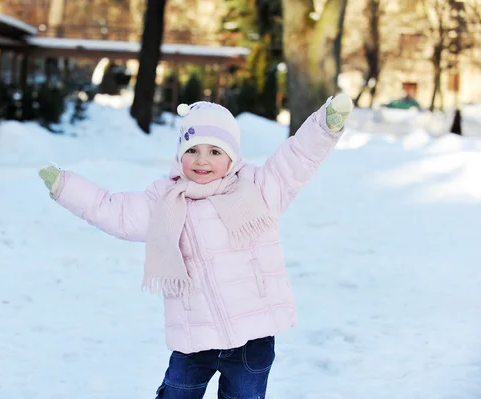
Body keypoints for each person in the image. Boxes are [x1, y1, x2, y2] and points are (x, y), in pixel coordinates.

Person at [38, 94, 353, 398]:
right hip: (194, 338)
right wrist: (65, 186)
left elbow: (296, 159)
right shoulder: (165, 201)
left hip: (252, 337)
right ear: (179, 155)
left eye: (215, 152)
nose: (203, 160)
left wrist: (325, 125)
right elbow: (113, 211)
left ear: (233, 156)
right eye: (193, 150)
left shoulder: (258, 188)